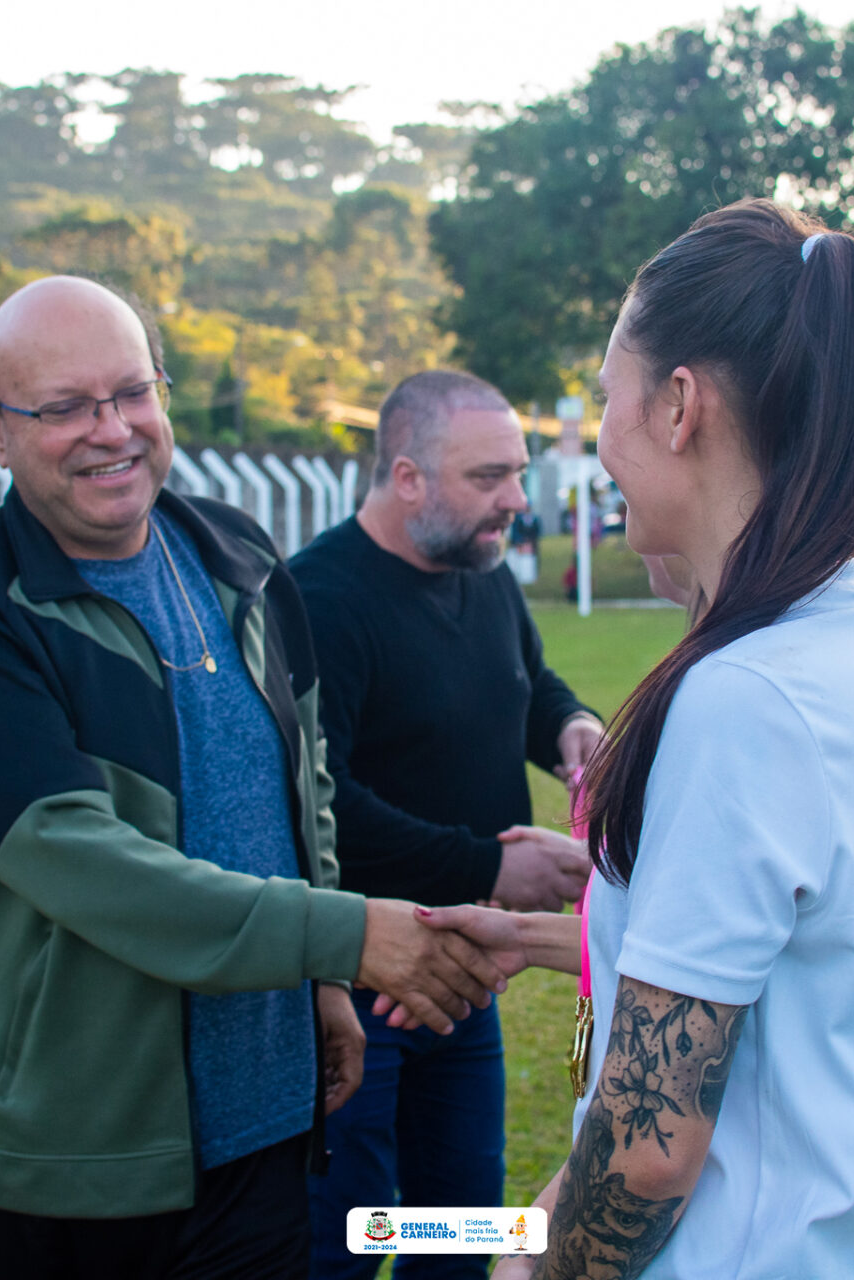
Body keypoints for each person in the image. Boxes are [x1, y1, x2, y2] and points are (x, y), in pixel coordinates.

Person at [0, 277, 510, 1280]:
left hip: (265, 1125)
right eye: (64, 408)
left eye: (134, 392)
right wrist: (349, 935)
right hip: (73, 1156)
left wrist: (322, 987)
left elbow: (299, 783)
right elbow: (76, 858)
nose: (112, 429)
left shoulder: (240, 556)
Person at [468, 200, 854, 1278]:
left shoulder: (747, 697)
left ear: (678, 404)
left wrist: (531, 1269)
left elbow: (646, 1149)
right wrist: (564, 941)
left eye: (609, 396)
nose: (602, 439)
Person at [289, 370, 602, 1280]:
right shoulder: (318, 599)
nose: (516, 500)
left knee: (463, 1227)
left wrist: (569, 726)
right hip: (360, 986)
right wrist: (488, 868)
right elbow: (320, 795)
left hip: (467, 980)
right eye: (489, 478)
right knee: (345, 1235)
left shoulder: (483, 572)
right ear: (408, 477)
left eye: (518, 473)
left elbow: (525, 682)